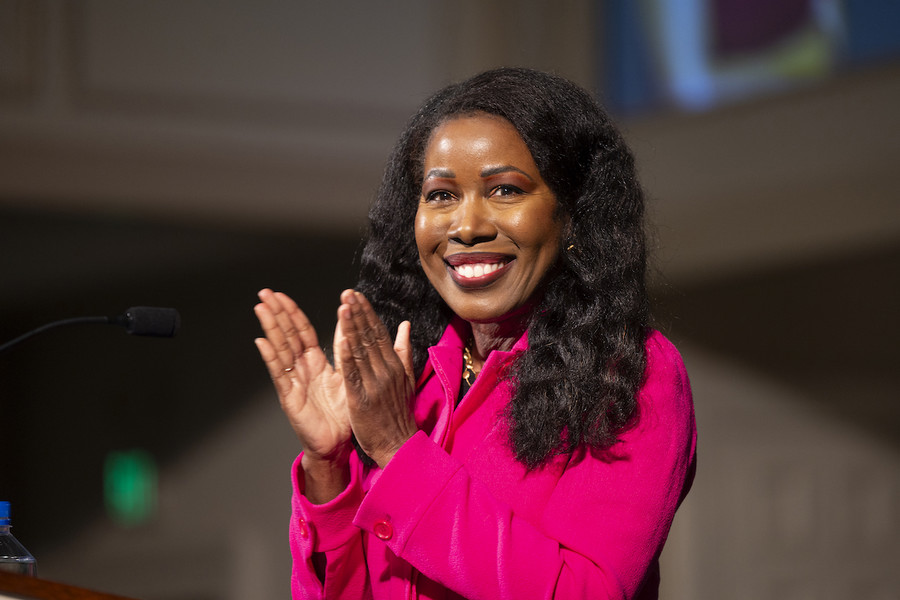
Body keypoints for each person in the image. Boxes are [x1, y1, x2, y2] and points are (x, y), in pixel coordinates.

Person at [253, 67, 696, 600]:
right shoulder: (410, 376)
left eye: (505, 190)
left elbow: (586, 592)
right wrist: (328, 466)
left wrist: (399, 452)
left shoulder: (628, 370)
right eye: (441, 195)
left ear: (573, 216)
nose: (466, 227)